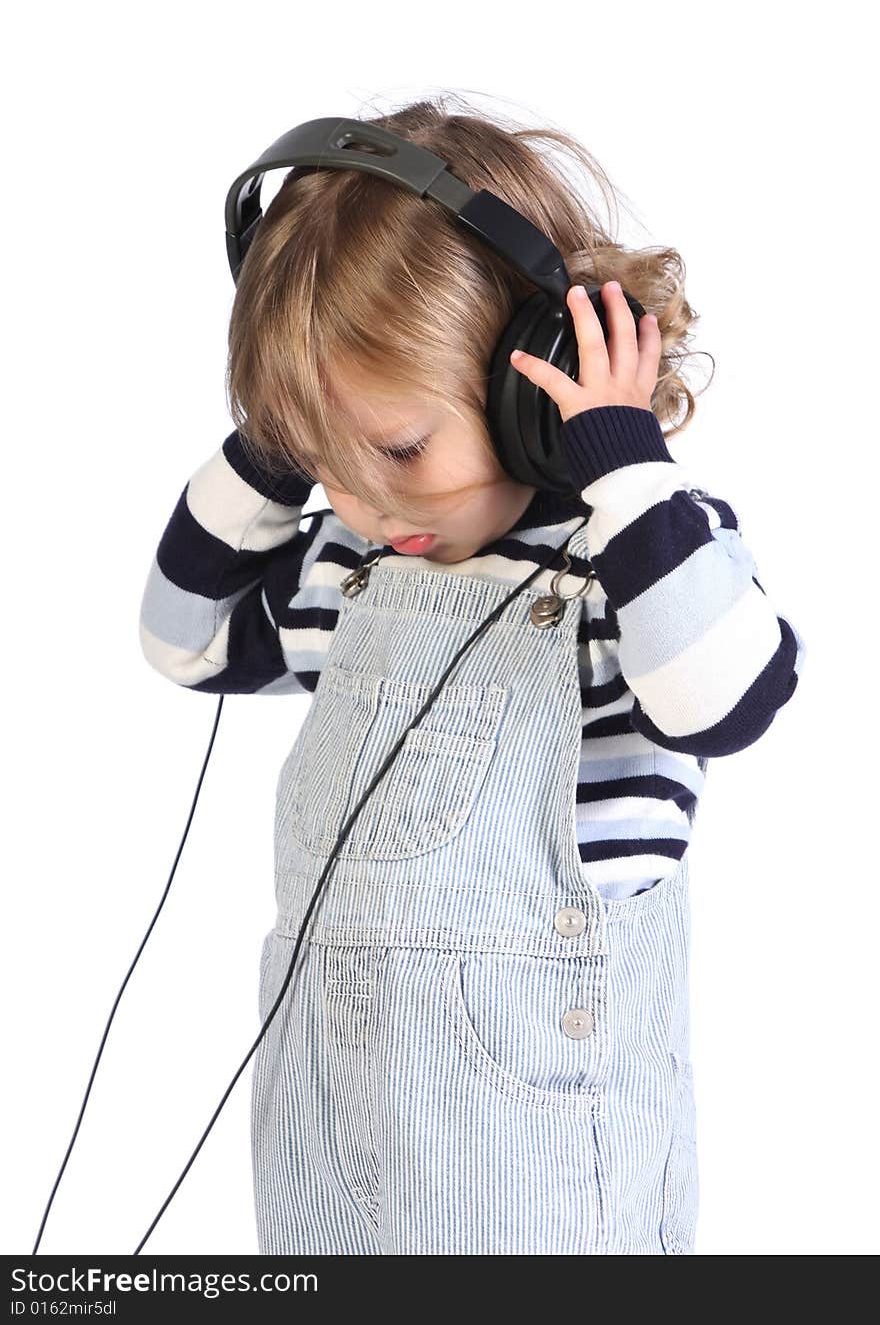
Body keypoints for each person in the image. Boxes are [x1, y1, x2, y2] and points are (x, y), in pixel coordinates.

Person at [138, 96, 806, 1254]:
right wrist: (269, 444)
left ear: (526, 375)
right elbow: (181, 636)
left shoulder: (634, 566)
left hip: (533, 1165)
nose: (368, 500)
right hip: (330, 1133)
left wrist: (624, 465)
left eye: (398, 448)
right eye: (327, 464)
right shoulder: (353, 564)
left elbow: (731, 697)